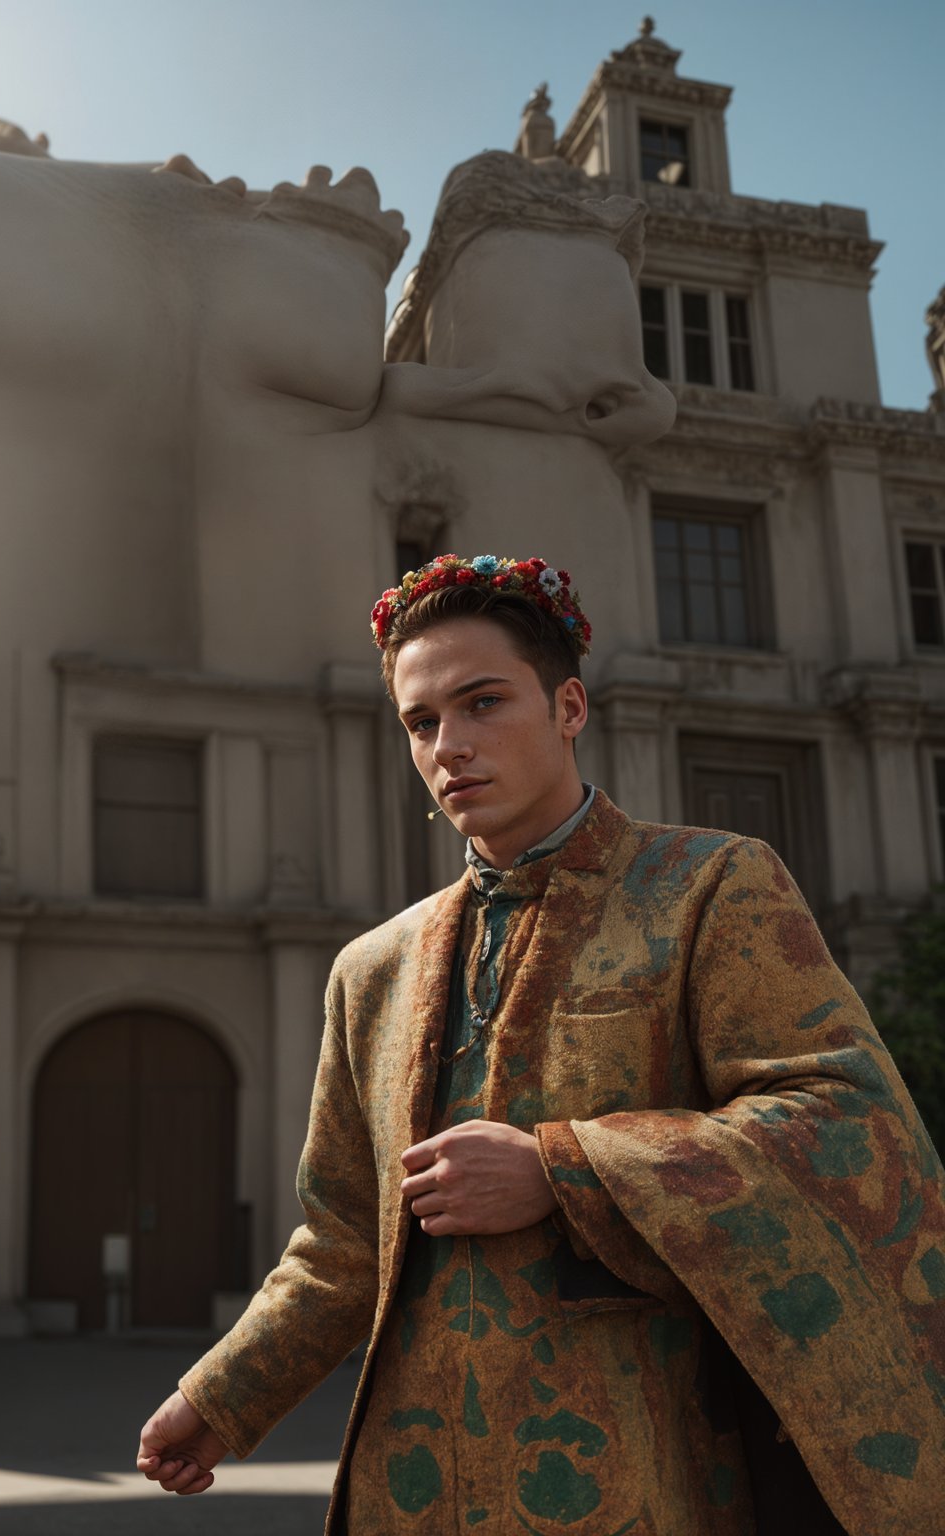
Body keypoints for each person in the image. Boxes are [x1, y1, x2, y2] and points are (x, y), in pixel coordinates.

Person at [138, 554, 945, 1535]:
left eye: (482, 703)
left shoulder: (710, 887)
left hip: (639, 1479)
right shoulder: (372, 970)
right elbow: (346, 1235)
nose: (449, 747)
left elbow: (846, 1125)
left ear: (569, 706)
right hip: (417, 1486)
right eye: (421, 722)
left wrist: (563, 1170)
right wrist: (220, 1397)